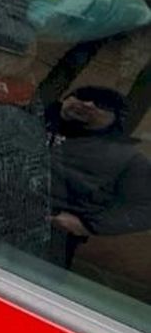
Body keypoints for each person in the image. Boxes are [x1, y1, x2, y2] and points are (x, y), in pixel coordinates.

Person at [46, 85, 151, 266]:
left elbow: (147, 208)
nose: (88, 104)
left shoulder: (125, 158)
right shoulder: (24, 124)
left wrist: (89, 225)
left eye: (102, 104)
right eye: (81, 96)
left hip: (45, 241)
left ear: (116, 118)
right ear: (65, 99)